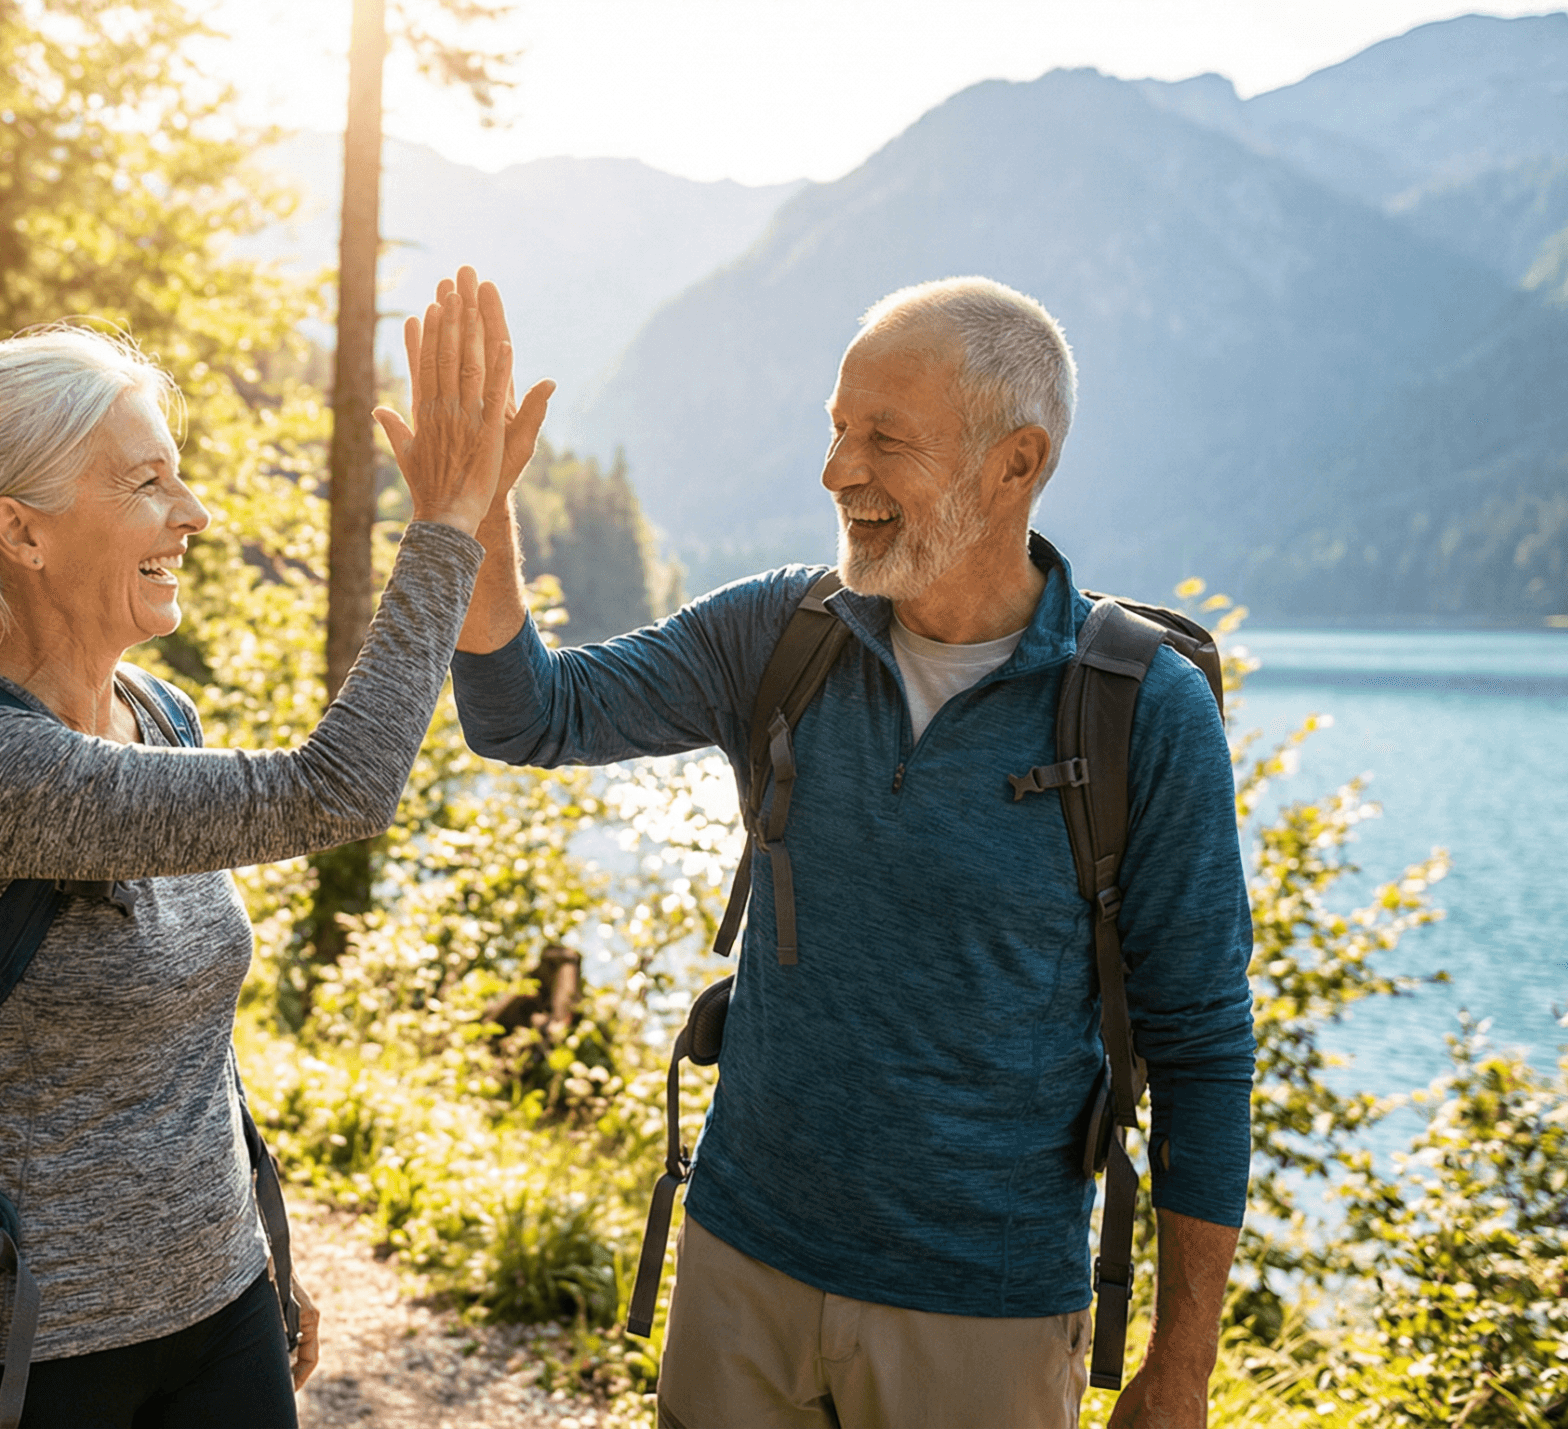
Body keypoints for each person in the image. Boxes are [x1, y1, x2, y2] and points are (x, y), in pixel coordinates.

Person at [448, 277, 1253, 1428]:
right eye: (835, 428)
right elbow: (530, 715)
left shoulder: (1139, 713)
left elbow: (1202, 1052)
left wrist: (1180, 1368)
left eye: (883, 439)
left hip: (982, 1320)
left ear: (1013, 464)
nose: (836, 471)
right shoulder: (783, 633)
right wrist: (478, 520)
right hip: (739, 1266)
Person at [0, 271, 554, 1429]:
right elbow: (337, 789)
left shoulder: (156, 713)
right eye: (147, 483)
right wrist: (445, 528)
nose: (192, 513)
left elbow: (191, 1038)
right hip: (30, 1350)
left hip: (219, 1307)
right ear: (22, 529)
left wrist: (265, 1241)